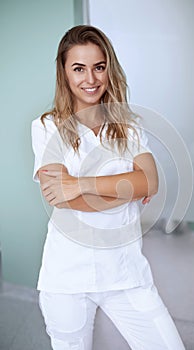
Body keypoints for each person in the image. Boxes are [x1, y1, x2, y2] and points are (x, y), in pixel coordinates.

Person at [31, 25, 185, 350]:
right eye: (79, 68)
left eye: (99, 67)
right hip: (67, 276)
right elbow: (62, 198)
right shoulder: (46, 128)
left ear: (108, 68)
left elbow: (151, 181)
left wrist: (79, 184)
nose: (91, 79)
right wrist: (124, 187)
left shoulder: (128, 127)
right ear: (64, 73)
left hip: (126, 272)